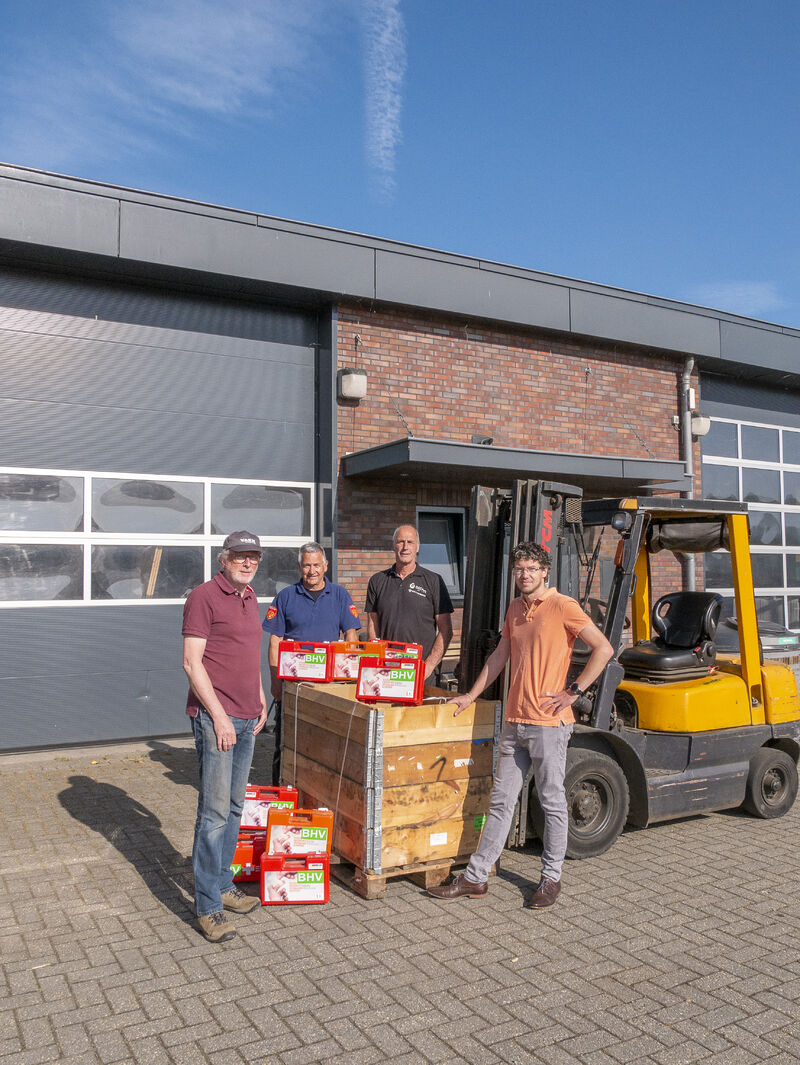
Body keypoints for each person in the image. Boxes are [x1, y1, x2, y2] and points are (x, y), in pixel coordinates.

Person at [428, 541, 613, 909]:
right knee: (500, 801)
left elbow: (603, 649)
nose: (524, 575)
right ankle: (476, 878)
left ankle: (551, 878)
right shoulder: (515, 608)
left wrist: (573, 692)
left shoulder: (563, 606)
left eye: (531, 569)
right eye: (519, 570)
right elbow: (500, 655)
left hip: (548, 724)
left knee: (551, 801)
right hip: (515, 721)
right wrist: (470, 695)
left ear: (545, 571)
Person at [182, 530, 268, 943]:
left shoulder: (251, 599)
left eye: (254, 556)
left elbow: (249, 656)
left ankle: (222, 883)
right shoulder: (204, 596)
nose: (247, 562)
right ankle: (207, 906)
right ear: (224, 559)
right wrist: (218, 717)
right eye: (240, 556)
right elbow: (191, 663)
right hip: (217, 718)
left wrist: (261, 698)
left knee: (235, 808)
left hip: (248, 716)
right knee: (213, 814)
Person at [262, 542, 359, 783]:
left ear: (325, 566)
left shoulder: (340, 595)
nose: (312, 570)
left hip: (329, 688)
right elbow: (275, 642)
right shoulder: (285, 597)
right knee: (286, 746)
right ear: (299, 567)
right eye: (307, 565)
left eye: (317, 565)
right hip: (293, 686)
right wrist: (276, 684)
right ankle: (281, 797)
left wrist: (348, 678)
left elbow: (352, 637)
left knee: (327, 746)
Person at [365, 525, 454, 681]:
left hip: (421, 672)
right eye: (401, 542)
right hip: (387, 670)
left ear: (418, 547)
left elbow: (446, 630)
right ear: (393, 546)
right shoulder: (377, 581)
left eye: (410, 542)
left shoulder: (433, 581)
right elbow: (373, 624)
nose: (405, 547)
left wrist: (428, 667)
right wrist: (377, 660)